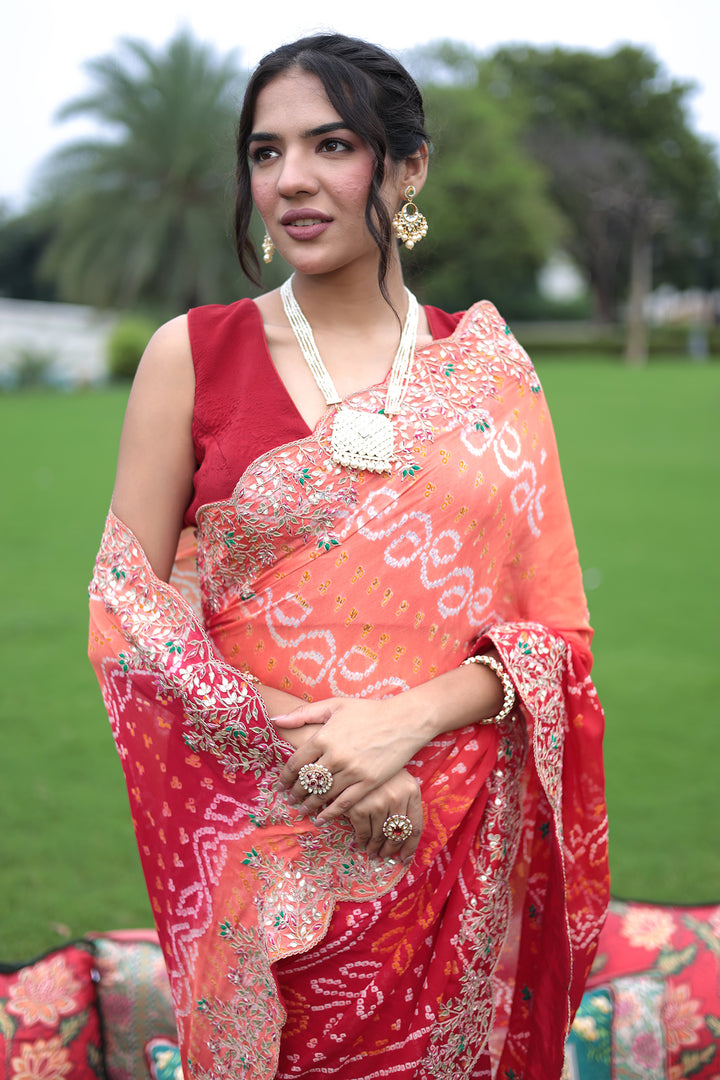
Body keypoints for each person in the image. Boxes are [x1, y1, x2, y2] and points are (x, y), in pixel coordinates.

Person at [88, 33, 609, 1080]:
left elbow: (556, 640)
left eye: (331, 145)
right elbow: (129, 617)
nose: (291, 180)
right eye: (265, 151)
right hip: (272, 849)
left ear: (408, 168)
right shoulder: (193, 354)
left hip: (454, 848)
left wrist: (402, 723)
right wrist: (332, 761)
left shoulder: (490, 375)